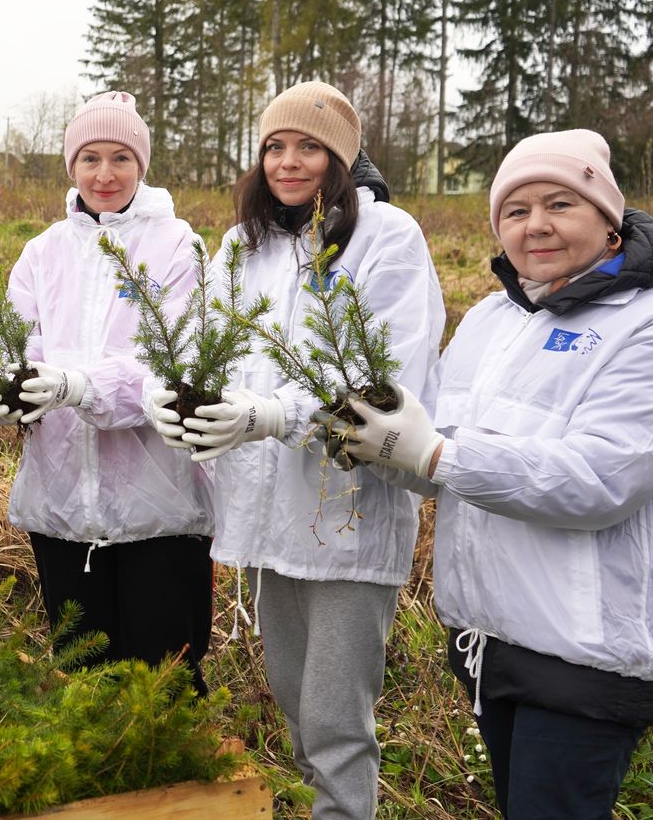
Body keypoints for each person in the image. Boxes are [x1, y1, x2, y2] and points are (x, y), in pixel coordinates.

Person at [329, 130, 653, 820]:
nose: (535, 224)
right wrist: (380, 443)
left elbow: (601, 478)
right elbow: (439, 454)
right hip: (490, 637)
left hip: (587, 651)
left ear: (608, 219)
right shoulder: (493, 317)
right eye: (515, 209)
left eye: (560, 203)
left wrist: (434, 455)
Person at [148, 81, 444, 820]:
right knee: (293, 699)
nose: (288, 161)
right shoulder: (244, 244)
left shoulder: (388, 239)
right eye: (275, 146)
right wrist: (172, 388)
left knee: (336, 718)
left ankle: (344, 809)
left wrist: (278, 412)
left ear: (342, 158)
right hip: (267, 512)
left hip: (347, 511)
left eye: (309, 146)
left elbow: (390, 384)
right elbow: (203, 340)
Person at [0, 92, 215, 694]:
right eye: (89, 158)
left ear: (142, 164)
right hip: (61, 506)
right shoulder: (42, 253)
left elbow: (176, 365)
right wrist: (6, 390)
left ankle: (178, 788)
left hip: (157, 509)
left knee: (161, 683)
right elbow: (20, 345)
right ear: (71, 166)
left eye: (119, 158)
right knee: (82, 685)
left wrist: (80, 386)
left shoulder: (175, 246)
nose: (104, 175)